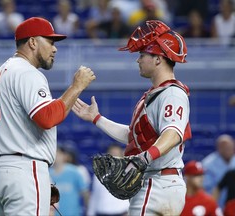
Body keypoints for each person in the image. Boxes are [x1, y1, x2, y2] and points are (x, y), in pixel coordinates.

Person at [72, 20, 192, 215]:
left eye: (142, 54)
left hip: (157, 182)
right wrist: (97, 118)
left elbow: (173, 134)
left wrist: (144, 158)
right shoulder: (156, 94)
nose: (138, 60)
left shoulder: (172, 93)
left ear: (158, 59)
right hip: (159, 182)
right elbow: (134, 135)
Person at [0, 17, 96, 216]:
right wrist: (76, 87)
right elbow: (47, 118)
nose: (54, 48)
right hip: (22, 169)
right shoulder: (27, 72)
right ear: (33, 42)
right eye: (50, 41)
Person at [87, 143, 129, 216]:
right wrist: (90, 213)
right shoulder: (99, 172)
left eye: (116, 154)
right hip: (102, 212)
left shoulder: (129, 171)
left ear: (121, 155)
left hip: (122, 212)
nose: (114, 157)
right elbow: (95, 194)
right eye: (112, 154)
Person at [49, 146, 89, 216]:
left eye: (58, 153)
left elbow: (85, 193)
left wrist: (88, 211)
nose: (56, 156)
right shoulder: (47, 173)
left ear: (64, 156)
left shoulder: (74, 171)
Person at [202, 134, 235, 208]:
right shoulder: (208, 164)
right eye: (226, 148)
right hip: (216, 206)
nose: (229, 150)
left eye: (231, 147)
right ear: (219, 148)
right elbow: (203, 189)